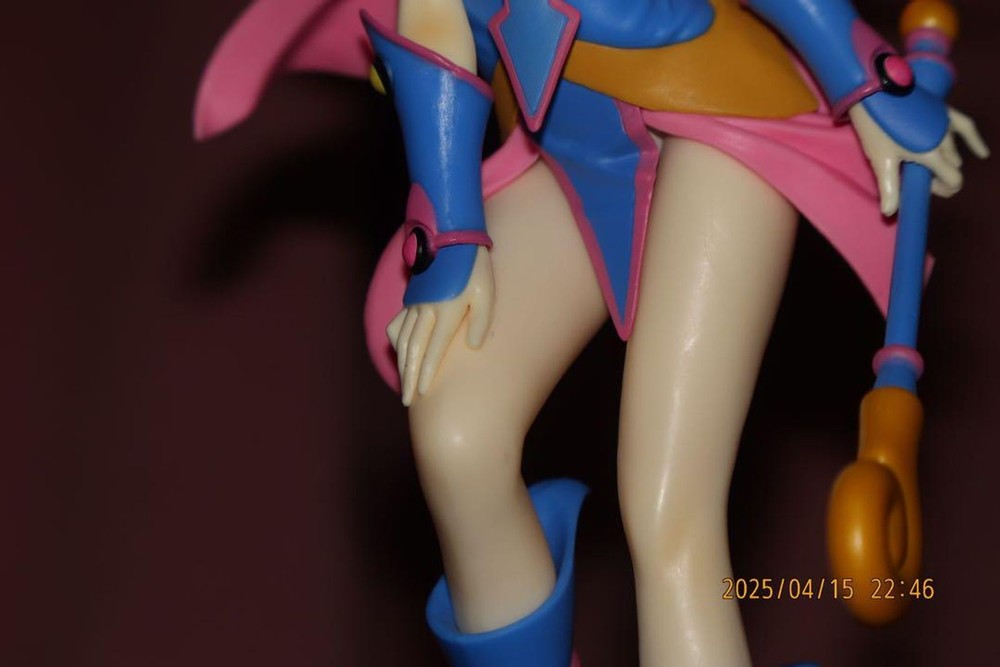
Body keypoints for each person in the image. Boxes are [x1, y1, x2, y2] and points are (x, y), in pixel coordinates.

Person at [195, 0, 988, 664]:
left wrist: (863, 79)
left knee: (668, 510)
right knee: (457, 433)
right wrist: (452, 238)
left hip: (714, 106)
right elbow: (433, 27)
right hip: (565, 152)